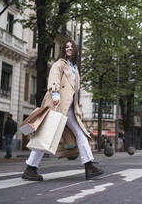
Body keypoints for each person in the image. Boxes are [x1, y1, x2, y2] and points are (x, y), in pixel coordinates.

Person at [22, 40, 103, 181]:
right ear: (63, 50)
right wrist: (55, 94)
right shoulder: (59, 64)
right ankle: (30, 168)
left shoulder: (75, 68)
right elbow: (54, 79)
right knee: (45, 136)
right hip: (57, 105)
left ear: (76, 50)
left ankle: (89, 166)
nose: (69, 48)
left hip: (70, 108)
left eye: (71, 47)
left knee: (81, 134)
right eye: (66, 47)